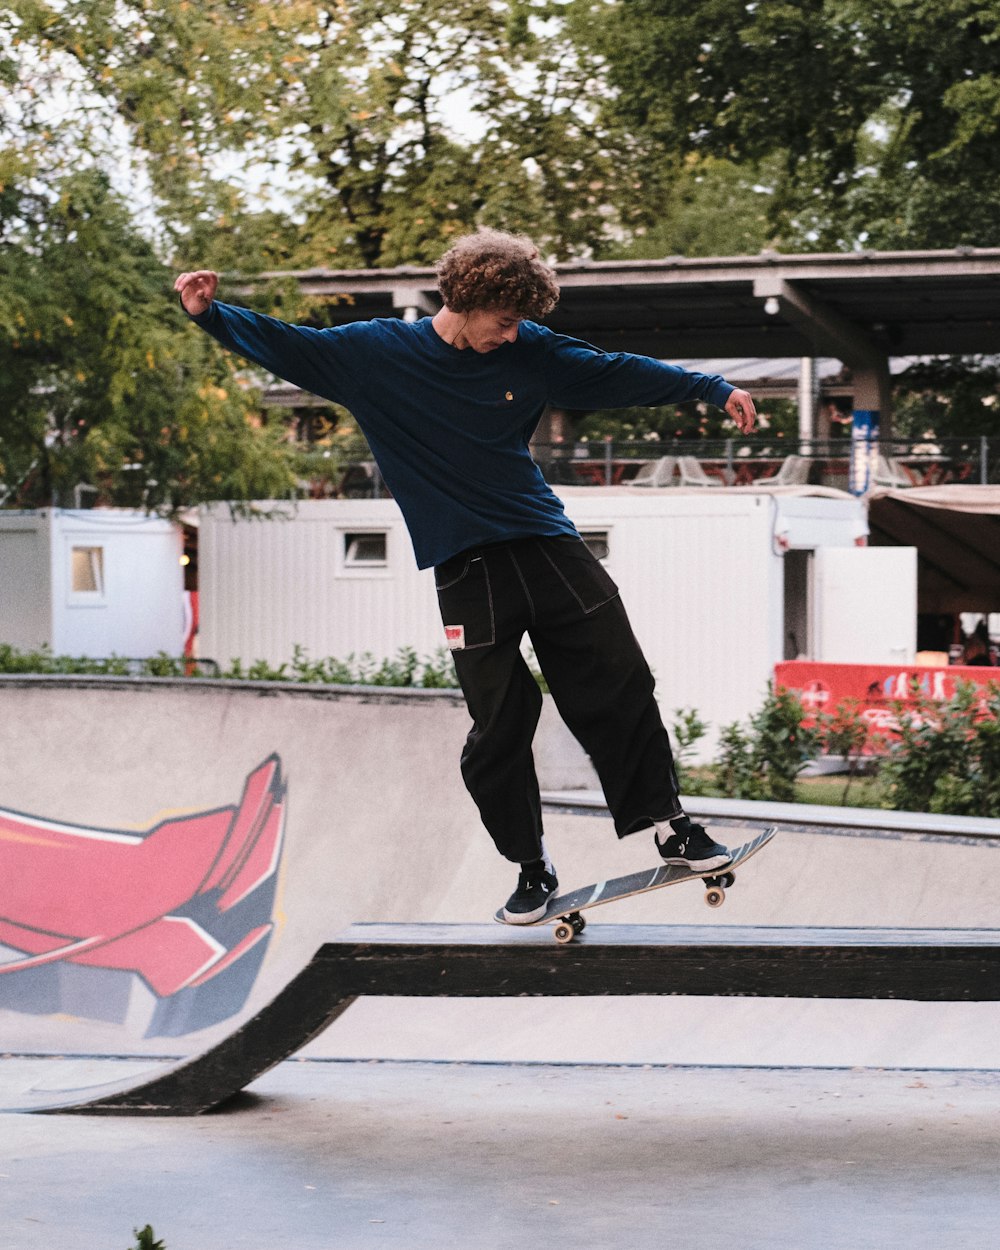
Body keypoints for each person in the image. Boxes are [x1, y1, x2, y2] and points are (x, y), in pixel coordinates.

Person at [175, 228, 758, 923]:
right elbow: (291, 345)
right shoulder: (373, 354)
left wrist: (711, 388)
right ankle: (531, 867)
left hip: (546, 543)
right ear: (467, 300)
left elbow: (613, 371)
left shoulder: (532, 351)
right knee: (501, 719)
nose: (512, 338)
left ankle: (670, 827)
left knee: (619, 675)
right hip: (464, 567)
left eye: (521, 326)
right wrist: (213, 315)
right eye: (505, 322)